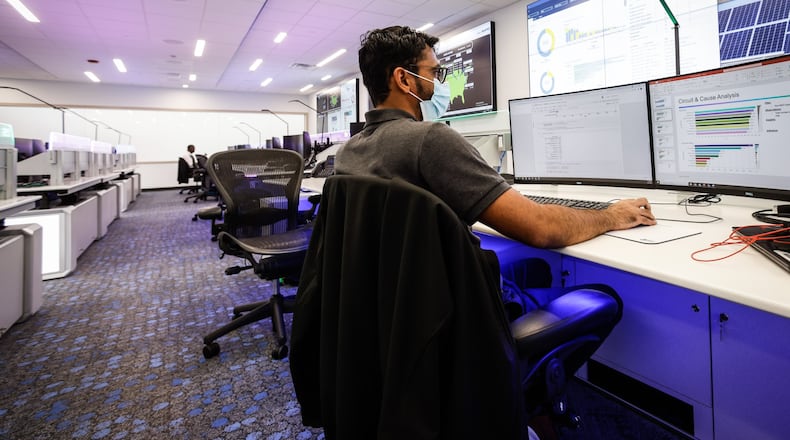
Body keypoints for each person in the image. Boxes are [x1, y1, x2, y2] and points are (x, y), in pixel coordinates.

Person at [336, 26, 656, 252]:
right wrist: (611, 215)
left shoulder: (349, 152)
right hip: (450, 316)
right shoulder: (430, 140)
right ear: (404, 78)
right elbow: (541, 228)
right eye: (434, 74)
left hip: (393, 315)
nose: (439, 84)